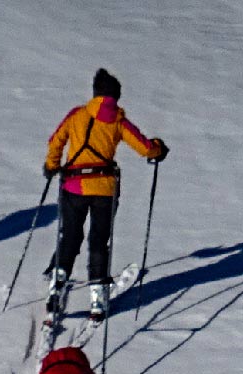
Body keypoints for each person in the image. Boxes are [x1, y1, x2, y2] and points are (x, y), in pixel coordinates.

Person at [42, 68, 167, 322]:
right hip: (105, 190)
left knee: (70, 235)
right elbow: (145, 148)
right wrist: (158, 148)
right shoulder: (118, 121)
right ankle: (97, 298)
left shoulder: (77, 115)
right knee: (99, 241)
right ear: (116, 96)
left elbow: (56, 141)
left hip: (74, 186)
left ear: (95, 93)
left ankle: (57, 284)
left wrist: (52, 165)